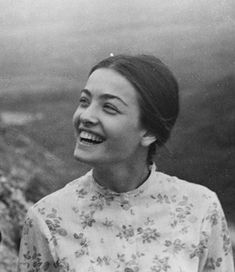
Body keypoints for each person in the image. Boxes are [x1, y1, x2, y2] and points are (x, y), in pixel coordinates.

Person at [18, 54, 234, 272]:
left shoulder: (201, 209)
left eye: (109, 108)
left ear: (149, 131)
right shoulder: (47, 218)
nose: (86, 116)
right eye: (84, 101)